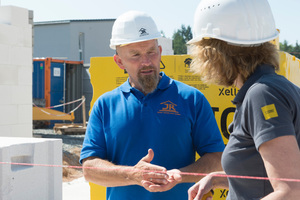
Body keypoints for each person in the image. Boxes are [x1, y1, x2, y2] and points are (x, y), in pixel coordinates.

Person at [80, 10, 225, 200]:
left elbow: (217, 159)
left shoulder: (192, 99)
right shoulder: (105, 106)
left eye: (151, 52)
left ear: (160, 52)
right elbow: (89, 169)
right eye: (135, 55)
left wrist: (180, 176)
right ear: (119, 61)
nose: (146, 62)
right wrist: (133, 175)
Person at [187, 0, 300, 199]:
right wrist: (217, 179)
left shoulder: (262, 95)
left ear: (213, 52)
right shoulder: (277, 87)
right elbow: (262, 176)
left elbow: (291, 191)